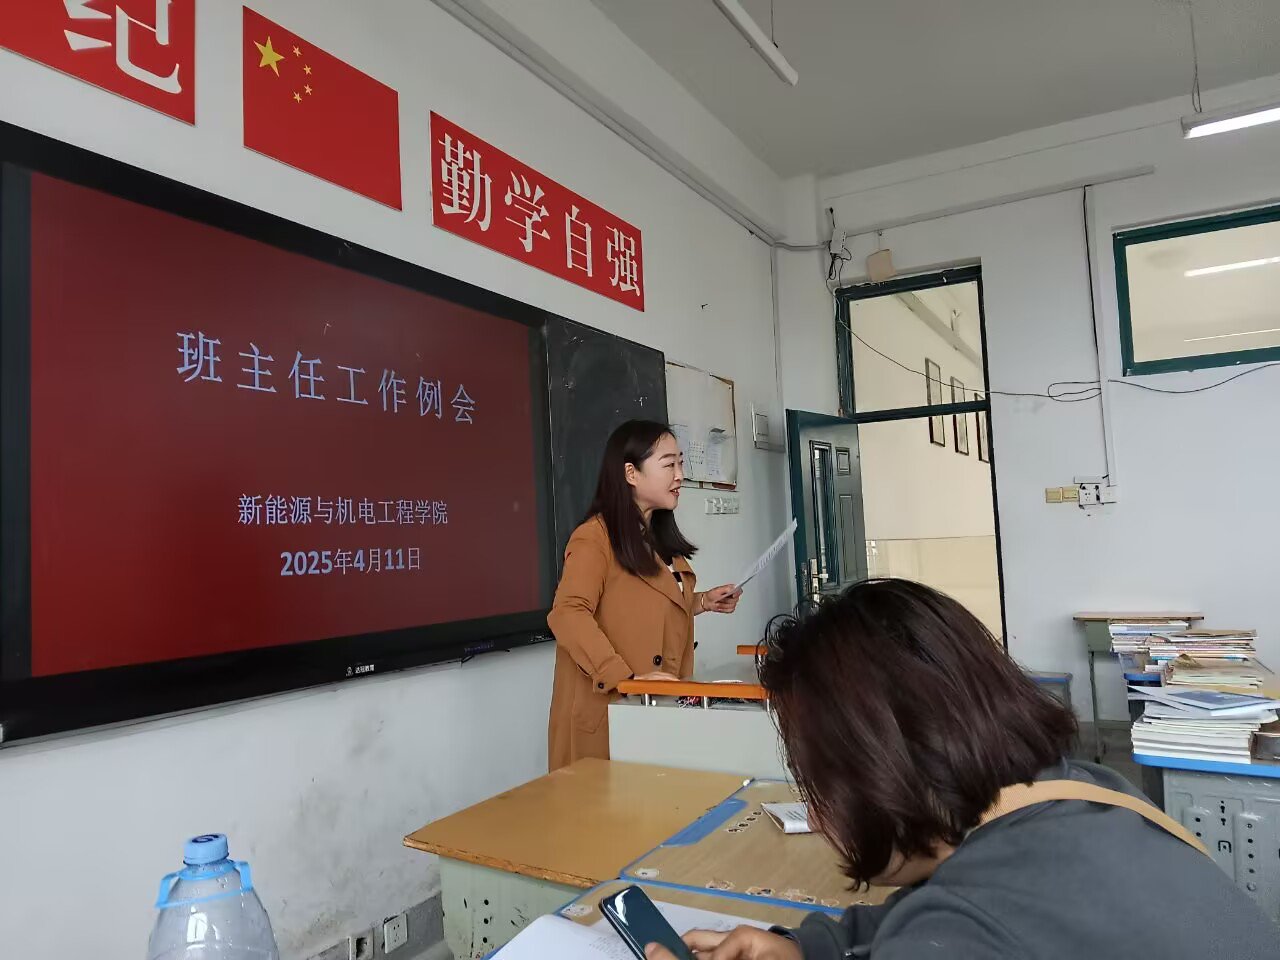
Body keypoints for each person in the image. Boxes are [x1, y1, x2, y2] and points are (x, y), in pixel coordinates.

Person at [646, 579, 1279, 960]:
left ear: (879, 769)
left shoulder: (967, 931)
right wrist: (811, 948)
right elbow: (946, 911)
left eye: (818, 784)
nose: (812, 814)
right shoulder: (1087, 792)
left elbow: (956, 926)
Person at [546, 420, 740, 771]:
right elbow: (568, 613)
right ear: (631, 474)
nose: (680, 475)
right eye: (669, 464)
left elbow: (644, 604)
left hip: (656, 709)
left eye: (681, 463)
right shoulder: (594, 538)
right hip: (611, 714)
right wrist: (624, 679)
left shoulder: (658, 538)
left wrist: (702, 602)